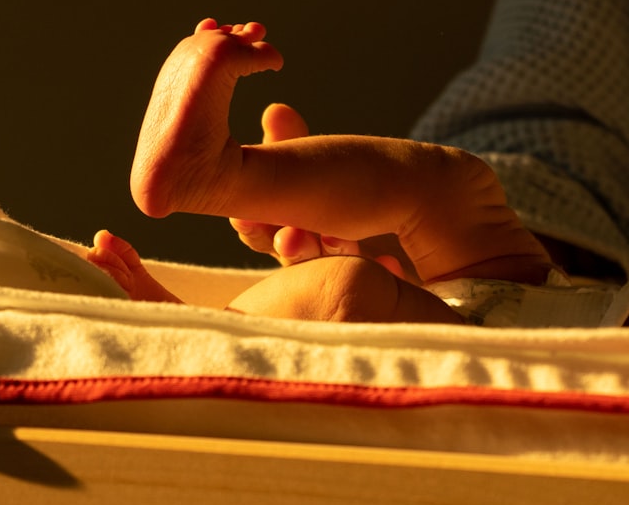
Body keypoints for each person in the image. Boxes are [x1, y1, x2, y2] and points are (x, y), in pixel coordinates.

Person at [86, 19, 556, 324]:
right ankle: (233, 176)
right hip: (557, 299)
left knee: (348, 287)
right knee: (454, 184)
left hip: (513, 358)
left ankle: (242, 191)